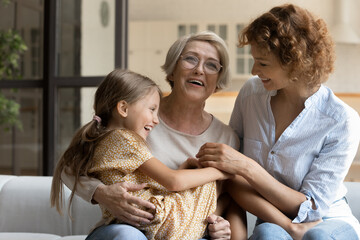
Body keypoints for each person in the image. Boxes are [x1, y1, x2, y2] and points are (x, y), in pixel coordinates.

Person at [196, 4, 360, 240]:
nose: (254, 70)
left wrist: (247, 167)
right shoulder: (251, 94)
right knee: (266, 235)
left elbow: (310, 209)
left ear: (296, 63)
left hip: (329, 220)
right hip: (272, 219)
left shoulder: (341, 120)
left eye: (262, 63)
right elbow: (231, 177)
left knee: (318, 238)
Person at [59, 31, 240, 240]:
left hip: (185, 230)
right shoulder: (136, 118)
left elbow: (230, 196)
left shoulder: (226, 137)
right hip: (130, 230)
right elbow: (68, 168)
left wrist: (219, 223)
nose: (199, 70)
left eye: (211, 65)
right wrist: (101, 192)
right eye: (191, 59)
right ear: (171, 71)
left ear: (218, 81)